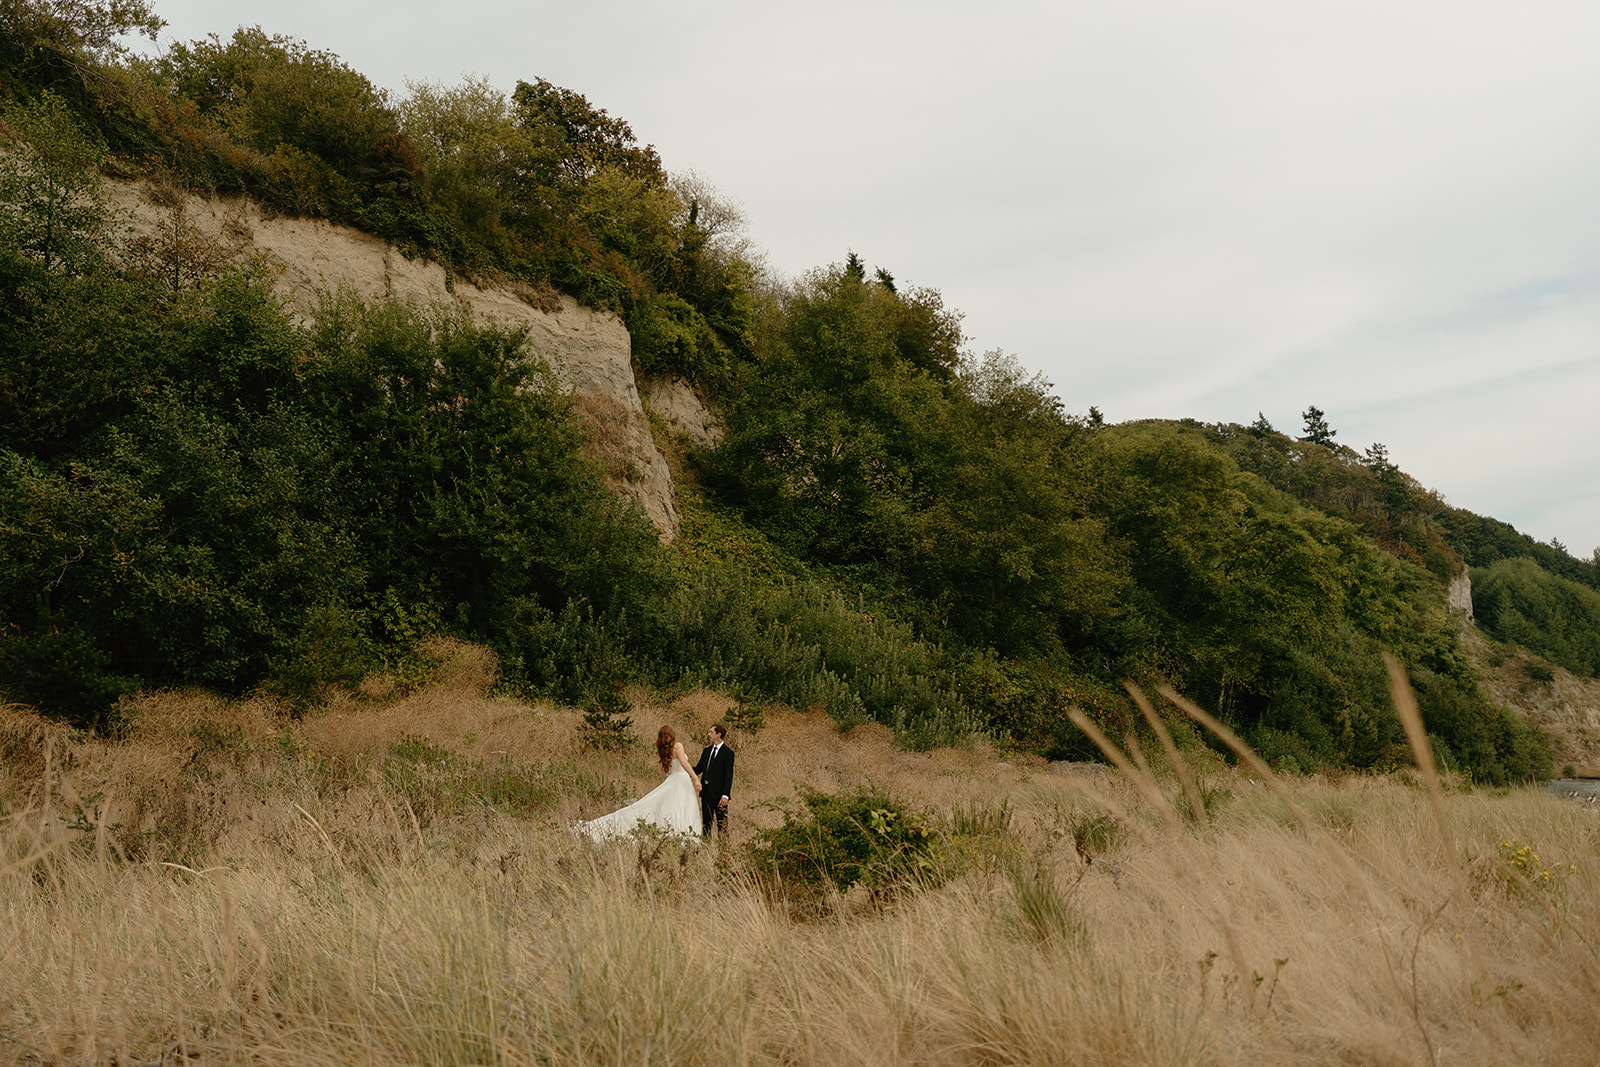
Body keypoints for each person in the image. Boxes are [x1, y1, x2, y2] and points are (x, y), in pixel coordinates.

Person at [574, 725, 702, 841]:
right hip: (682, 780)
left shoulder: (663, 749)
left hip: (672, 780)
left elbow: (662, 772)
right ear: (672, 734)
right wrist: (695, 778)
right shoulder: (677, 745)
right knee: (683, 807)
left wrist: (670, 778)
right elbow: (684, 763)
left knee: (666, 806)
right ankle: (684, 834)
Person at [692, 723, 734, 837]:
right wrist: (683, 769)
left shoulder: (728, 753)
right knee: (706, 824)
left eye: (711, 732)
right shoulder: (706, 751)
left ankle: (724, 852)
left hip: (720, 795)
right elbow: (698, 769)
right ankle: (706, 850)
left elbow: (728, 775)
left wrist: (726, 795)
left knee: (722, 826)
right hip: (706, 793)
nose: (708, 734)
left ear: (718, 734)